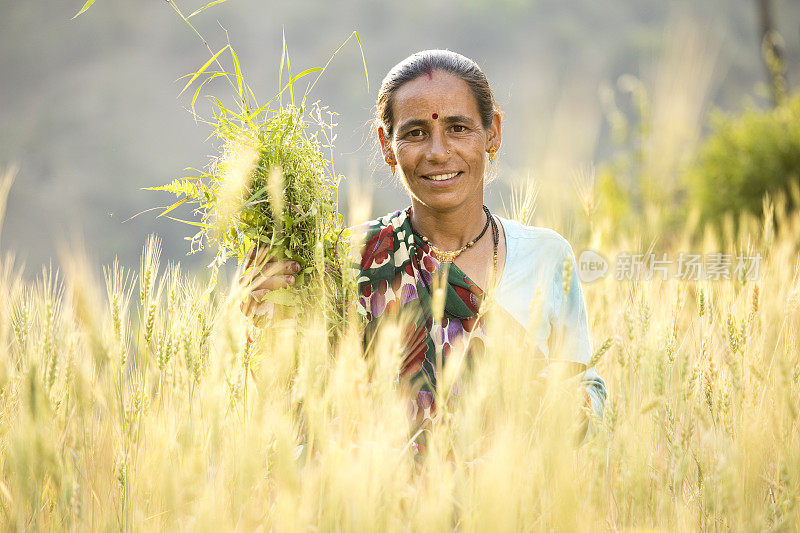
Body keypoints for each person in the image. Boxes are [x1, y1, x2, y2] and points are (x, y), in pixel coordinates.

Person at [240, 49, 607, 444]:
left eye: (458, 128)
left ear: (493, 132)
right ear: (386, 144)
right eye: (415, 132)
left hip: (511, 500)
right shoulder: (343, 262)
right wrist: (269, 323)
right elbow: (298, 411)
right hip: (384, 500)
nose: (438, 151)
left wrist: (568, 404)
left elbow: (582, 390)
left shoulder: (547, 257)